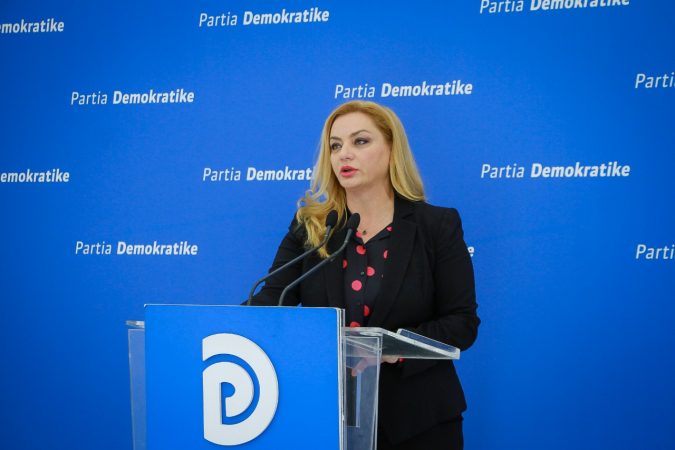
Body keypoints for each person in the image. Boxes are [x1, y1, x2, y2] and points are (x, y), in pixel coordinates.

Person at [250, 100, 479, 450]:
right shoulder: (312, 227)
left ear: (391, 149)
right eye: (335, 146)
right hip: (327, 417)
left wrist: (389, 348)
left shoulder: (436, 226)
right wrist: (221, 328)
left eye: (360, 141)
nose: (344, 154)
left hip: (418, 420)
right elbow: (271, 300)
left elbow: (461, 324)